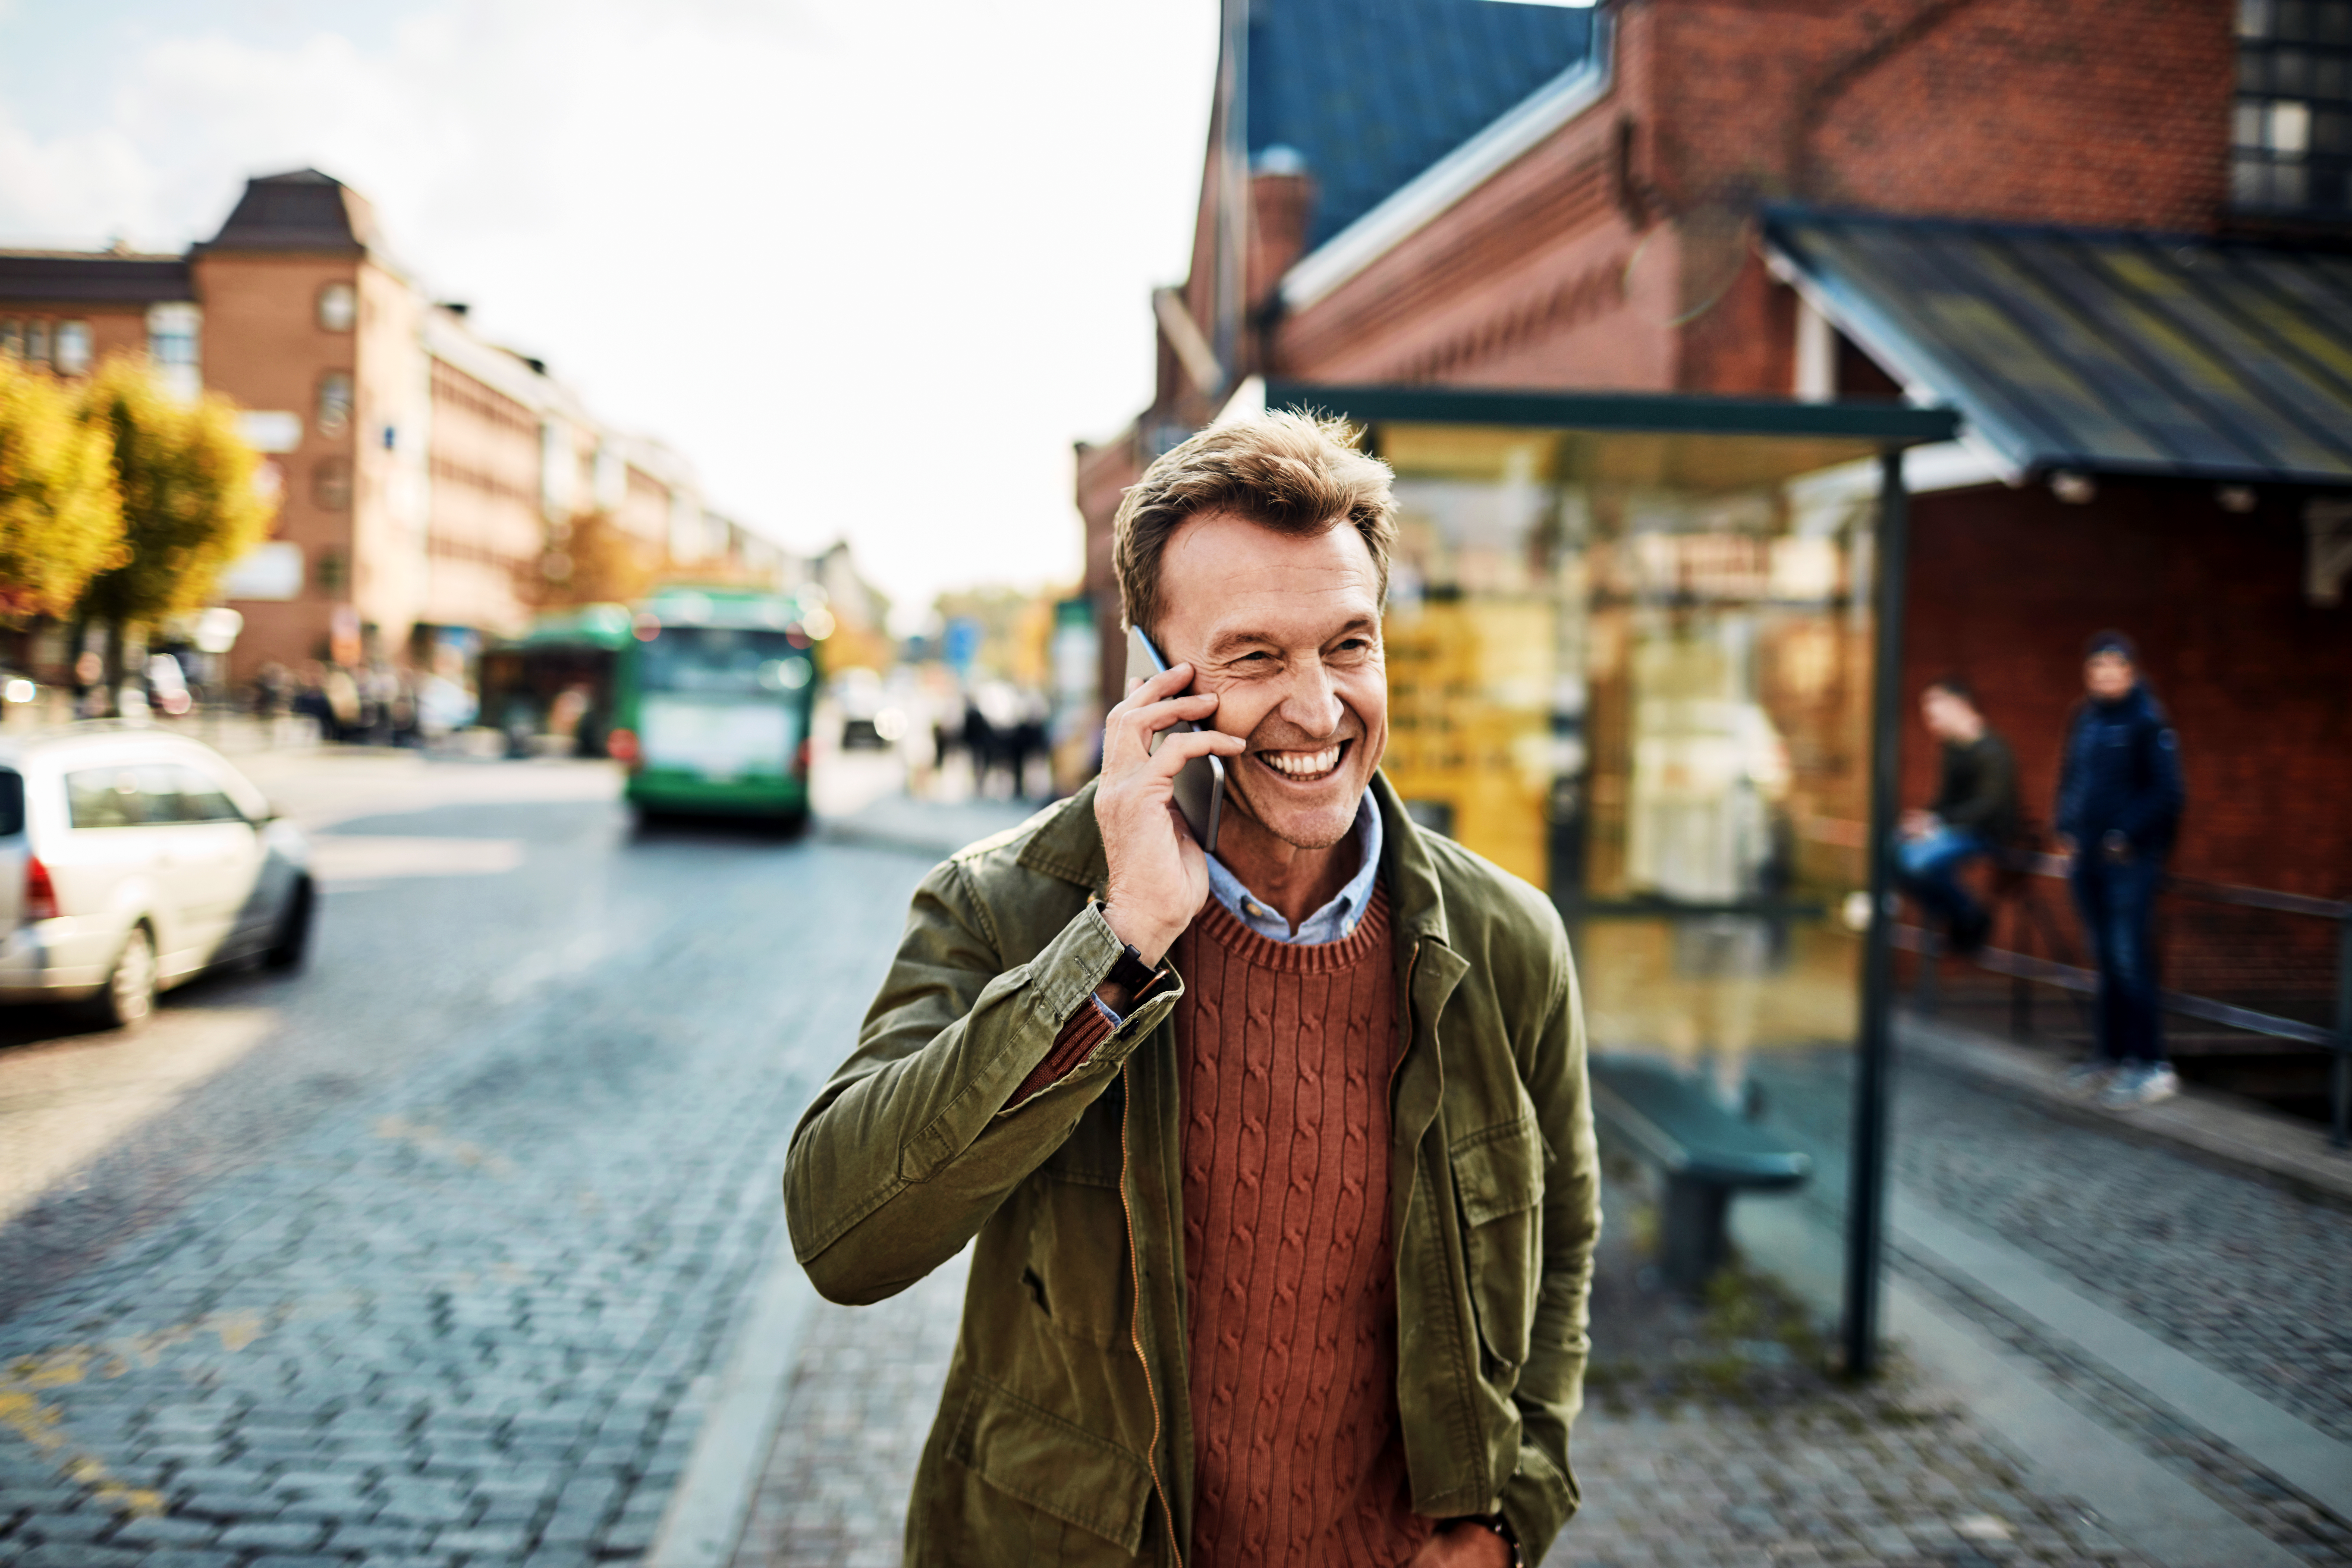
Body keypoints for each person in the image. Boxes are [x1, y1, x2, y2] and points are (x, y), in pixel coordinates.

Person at [785, 413, 1598, 1568]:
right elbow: (842, 1236)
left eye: (1349, 646)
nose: (1318, 710)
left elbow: (1562, 1245)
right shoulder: (1002, 909)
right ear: (1150, 678)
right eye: (1255, 656)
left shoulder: (1508, 943)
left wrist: (1510, 1515)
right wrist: (1117, 944)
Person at [2054, 631, 2185, 1110]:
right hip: (2086, 860)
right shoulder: (2084, 717)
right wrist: (2065, 827)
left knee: (2130, 960)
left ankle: (2152, 1065)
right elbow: (2070, 777)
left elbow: (2169, 794)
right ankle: (2109, 1057)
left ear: (2131, 671)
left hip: (2129, 863)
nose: (2107, 675)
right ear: (2088, 674)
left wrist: (2123, 835)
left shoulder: (2148, 720)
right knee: (2105, 960)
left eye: (2116, 666)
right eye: (2098, 667)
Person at [1892, 677, 2017, 954]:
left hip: (1987, 834)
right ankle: (1959, 915)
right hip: (1955, 829)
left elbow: (1989, 807)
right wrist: (1924, 819)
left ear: (1958, 705)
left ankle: (1969, 916)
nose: (1929, 721)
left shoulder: (1994, 750)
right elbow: (1945, 799)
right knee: (1891, 848)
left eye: (1934, 713)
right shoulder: (1952, 749)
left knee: (1915, 861)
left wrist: (1937, 824)